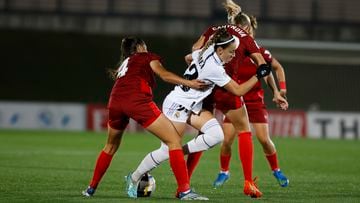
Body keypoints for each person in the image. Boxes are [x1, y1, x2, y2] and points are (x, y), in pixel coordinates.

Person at [126, 28, 273, 199]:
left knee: (216, 135)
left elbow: (189, 57)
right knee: (166, 150)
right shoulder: (215, 69)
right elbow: (239, 91)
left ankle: (177, 152)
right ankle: (135, 177)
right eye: (231, 52)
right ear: (219, 50)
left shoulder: (206, 50)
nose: (233, 56)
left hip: (191, 104)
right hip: (177, 104)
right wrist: (258, 75)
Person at [81, 36, 210, 200]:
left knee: (110, 146)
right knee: (174, 141)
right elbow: (164, 75)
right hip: (136, 100)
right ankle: (184, 191)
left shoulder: (125, 64)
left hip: (115, 101)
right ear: (140, 47)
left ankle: (91, 188)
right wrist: (189, 83)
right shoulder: (146, 56)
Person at [185, 0, 288, 198]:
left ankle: (184, 183)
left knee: (202, 135)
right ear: (246, 26)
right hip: (227, 88)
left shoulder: (214, 29)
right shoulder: (246, 39)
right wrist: (271, 83)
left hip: (203, 85)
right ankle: (248, 182)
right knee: (244, 131)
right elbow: (262, 64)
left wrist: (197, 58)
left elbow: (194, 50)